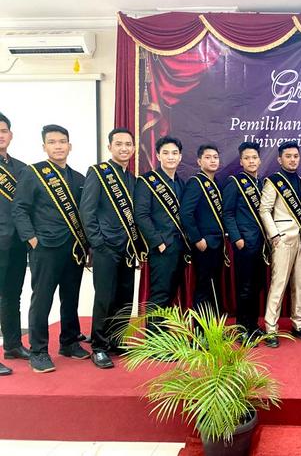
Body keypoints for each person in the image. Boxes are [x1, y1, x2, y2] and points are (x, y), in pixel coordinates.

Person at [12, 124, 89, 373]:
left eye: (62, 141)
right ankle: (39, 351)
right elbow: (20, 208)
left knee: (71, 297)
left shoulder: (79, 178)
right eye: (52, 142)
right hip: (45, 248)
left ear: (70, 145)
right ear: (44, 146)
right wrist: (31, 239)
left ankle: (69, 342)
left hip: (74, 248)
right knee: (42, 299)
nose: (58, 146)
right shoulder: (33, 173)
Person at [80, 128, 146, 369]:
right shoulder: (98, 173)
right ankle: (99, 347)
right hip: (105, 247)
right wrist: (97, 243)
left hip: (127, 248)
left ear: (134, 148)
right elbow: (87, 211)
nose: (124, 148)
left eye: (128, 144)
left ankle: (116, 340)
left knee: (124, 298)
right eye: (119, 144)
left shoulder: (132, 179)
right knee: (104, 298)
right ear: (110, 147)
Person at [258, 141, 301, 348]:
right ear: (279, 159)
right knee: (279, 284)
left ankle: (298, 324)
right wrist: (274, 235)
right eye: (288, 156)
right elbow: (264, 210)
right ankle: (271, 328)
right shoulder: (273, 182)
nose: (292, 160)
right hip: (282, 239)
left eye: (295, 156)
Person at [135, 136, 188, 313]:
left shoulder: (181, 183)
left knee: (171, 294)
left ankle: (162, 330)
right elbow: (141, 215)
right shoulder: (147, 181)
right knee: (159, 294)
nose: (170, 157)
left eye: (174, 153)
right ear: (158, 156)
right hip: (162, 248)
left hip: (180, 247)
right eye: (166, 153)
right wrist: (158, 242)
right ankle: (154, 331)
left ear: (180, 156)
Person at [222, 142, 268, 340]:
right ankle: (242, 329)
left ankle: (253, 325)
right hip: (244, 244)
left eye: (254, 157)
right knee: (245, 287)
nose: (251, 161)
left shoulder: (262, 183)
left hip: (261, 245)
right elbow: (227, 213)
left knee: (257, 286)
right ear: (241, 161)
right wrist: (237, 239)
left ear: (260, 160)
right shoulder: (235, 182)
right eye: (247, 158)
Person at [179, 144, 227, 314]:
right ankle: (200, 328)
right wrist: (197, 239)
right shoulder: (195, 183)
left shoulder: (216, 183)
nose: (212, 160)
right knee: (204, 286)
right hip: (204, 243)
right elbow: (185, 213)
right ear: (199, 161)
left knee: (214, 284)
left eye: (215, 157)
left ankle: (213, 325)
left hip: (217, 243)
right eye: (208, 157)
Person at [0, 112, 29, 376]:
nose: (0, 135)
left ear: (10, 134)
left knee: (12, 295)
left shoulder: (21, 168)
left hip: (18, 243)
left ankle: (12, 345)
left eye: (3, 130)